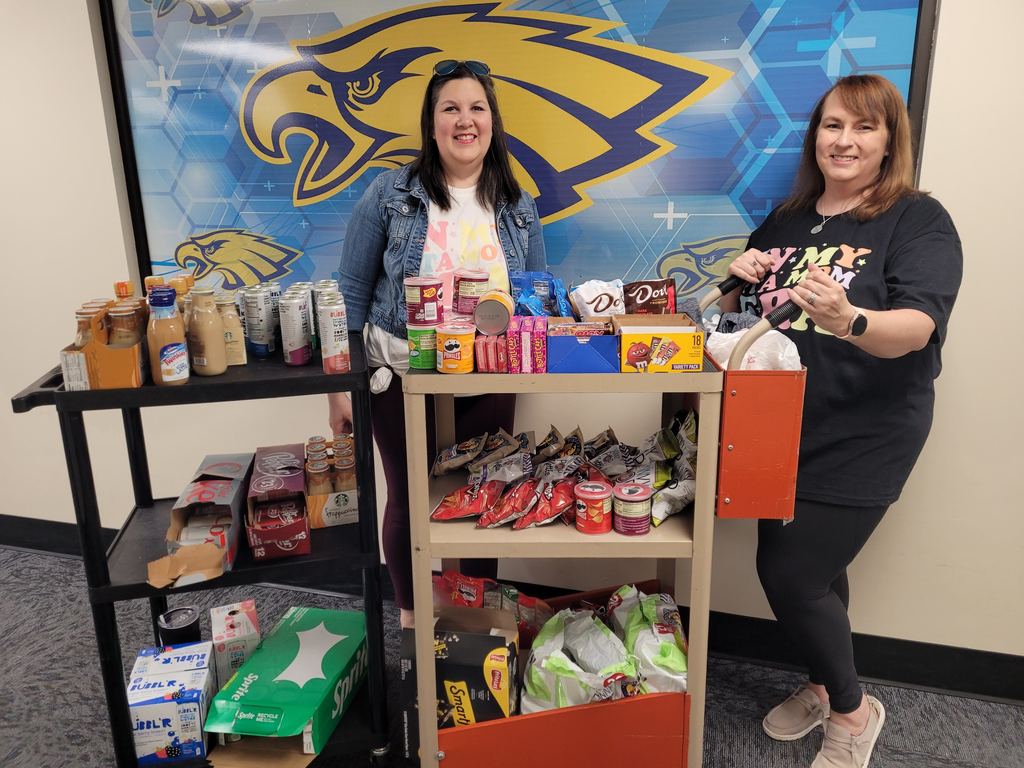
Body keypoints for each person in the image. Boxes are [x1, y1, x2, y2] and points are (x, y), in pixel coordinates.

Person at [722, 74, 961, 768]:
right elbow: (736, 322)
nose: (845, 140)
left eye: (863, 127)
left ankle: (855, 713)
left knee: (791, 574)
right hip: (780, 426)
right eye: (833, 125)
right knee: (818, 573)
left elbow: (918, 326)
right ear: (815, 136)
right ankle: (825, 685)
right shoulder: (789, 217)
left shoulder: (917, 219)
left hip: (869, 428)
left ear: (890, 141)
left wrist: (849, 319)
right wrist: (733, 278)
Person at [328, 59, 546, 629]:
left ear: (493, 123)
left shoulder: (519, 207)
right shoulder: (390, 193)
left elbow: (535, 297)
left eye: (477, 108)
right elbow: (350, 290)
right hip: (400, 371)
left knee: (484, 497)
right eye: (450, 108)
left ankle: (475, 619)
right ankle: (411, 620)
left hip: (490, 374)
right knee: (407, 498)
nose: (464, 120)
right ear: (431, 123)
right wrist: (341, 386)